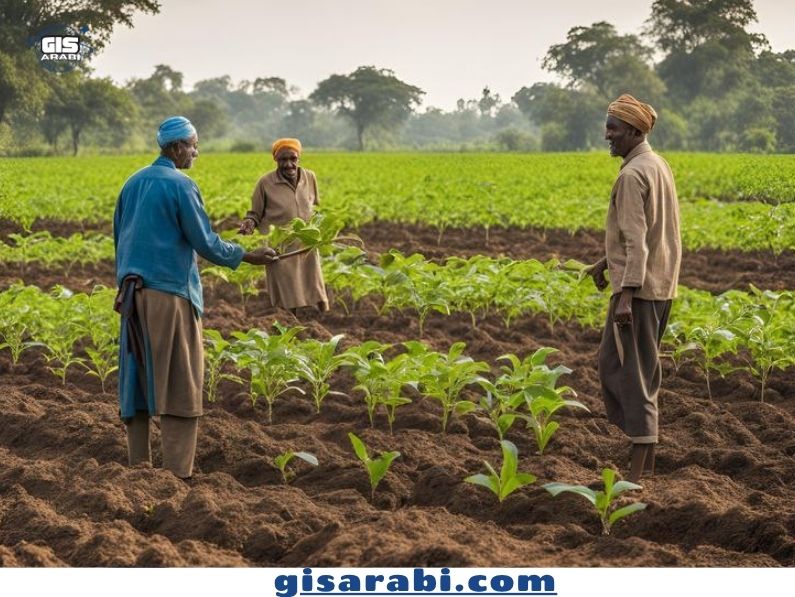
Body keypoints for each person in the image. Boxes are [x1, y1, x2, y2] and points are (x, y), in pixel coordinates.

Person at [114, 116, 278, 479]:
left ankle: (138, 469)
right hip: (171, 295)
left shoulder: (132, 183)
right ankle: (177, 475)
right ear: (176, 148)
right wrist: (248, 255)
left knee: (137, 378)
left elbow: (119, 238)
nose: (196, 153)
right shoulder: (181, 185)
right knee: (180, 380)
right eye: (193, 146)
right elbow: (205, 242)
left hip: (131, 297)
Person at [587, 94, 682, 484]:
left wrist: (625, 295)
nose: (607, 135)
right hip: (660, 287)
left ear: (634, 131)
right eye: (607, 126)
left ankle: (638, 475)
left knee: (628, 374)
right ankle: (647, 466)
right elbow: (650, 232)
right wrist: (605, 263)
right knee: (637, 370)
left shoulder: (630, 176)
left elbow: (638, 241)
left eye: (613, 128)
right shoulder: (657, 165)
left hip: (639, 293)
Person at [238, 138, 329, 314]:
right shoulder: (265, 183)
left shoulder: (310, 177)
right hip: (280, 247)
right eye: (282, 160)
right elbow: (255, 213)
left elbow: (316, 207)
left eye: (292, 159)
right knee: (286, 294)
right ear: (275, 160)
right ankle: (287, 322)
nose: (288, 164)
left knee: (314, 286)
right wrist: (249, 223)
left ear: (299, 158)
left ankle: (321, 321)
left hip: (307, 244)